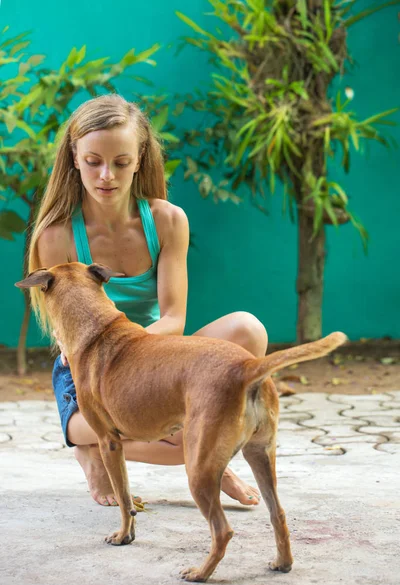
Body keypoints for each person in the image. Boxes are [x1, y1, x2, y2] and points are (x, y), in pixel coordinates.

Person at [28, 94, 268, 508]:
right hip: (89, 370)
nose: (107, 175)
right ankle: (90, 445)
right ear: (74, 157)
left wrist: (143, 363)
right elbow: (69, 342)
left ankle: (180, 446)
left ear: (139, 158)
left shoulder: (168, 220)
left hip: (153, 353)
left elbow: (174, 317)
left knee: (247, 329)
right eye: (93, 161)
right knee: (185, 443)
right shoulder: (58, 236)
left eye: (121, 162)